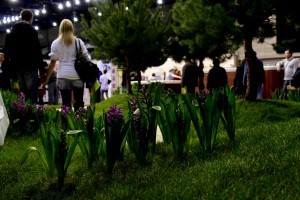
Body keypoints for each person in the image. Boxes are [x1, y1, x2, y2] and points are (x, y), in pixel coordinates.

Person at [44, 19, 89, 111]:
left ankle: (65, 123)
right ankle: (79, 122)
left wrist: (47, 78)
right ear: (72, 28)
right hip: (77, 75)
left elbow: (53, 63)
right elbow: (87, 58)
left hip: (63, 76)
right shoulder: (78, 42)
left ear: (60, 28)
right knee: (79, 103)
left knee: (66, 104)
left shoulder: (55, 43)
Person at [5, 9, 44, 103]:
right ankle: (32, 116)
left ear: (21, 17)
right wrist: (42, 70)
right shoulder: (32, 31)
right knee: (31, 95)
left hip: (17, 68)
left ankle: (22, 116)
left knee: (21, 96)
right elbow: (37, 51)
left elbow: (7, 50)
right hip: (30, 67)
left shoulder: (12, 31)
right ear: (31, 18)